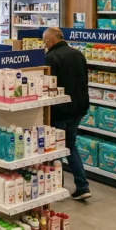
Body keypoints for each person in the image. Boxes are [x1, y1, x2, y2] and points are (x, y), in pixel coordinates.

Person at [43, 26, 91, 200]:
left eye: (44, 41)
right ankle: (82, 186)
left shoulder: (50, 57)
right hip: (78, 109)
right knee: (70, 145)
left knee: (55, 148)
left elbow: (49, 85)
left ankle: (57, 187)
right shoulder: (78, 54)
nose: (44, 45)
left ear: (51, 40)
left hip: (60, 111)